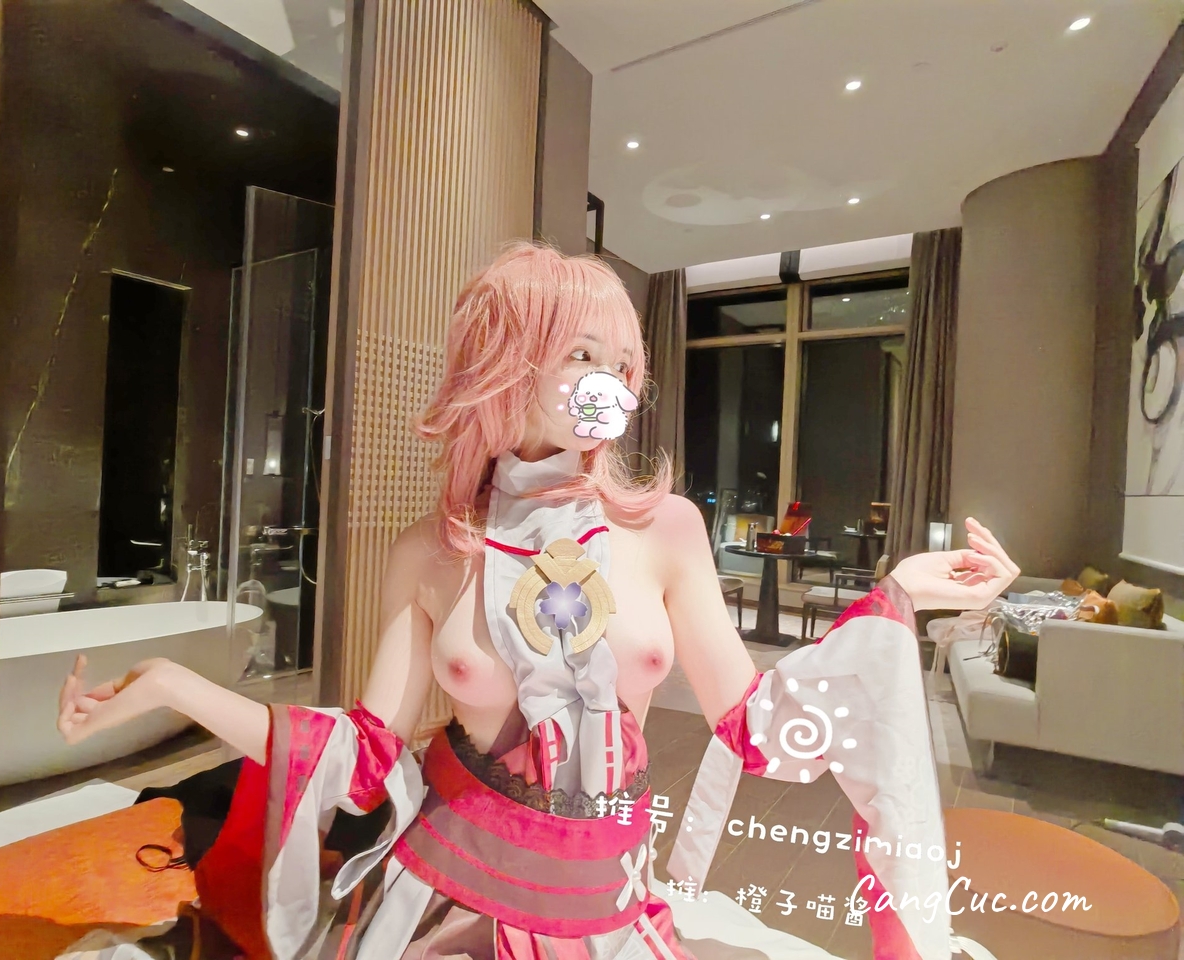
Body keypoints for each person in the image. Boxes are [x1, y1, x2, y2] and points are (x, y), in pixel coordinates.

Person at [56, 243, 1018, 960]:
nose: (613, 386)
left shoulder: (667, 529)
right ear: (506, 365)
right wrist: (172, 686)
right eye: (581, 356)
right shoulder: (430, 552)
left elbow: (757, 727)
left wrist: (899, 597)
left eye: (623, 365)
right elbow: (360, 758)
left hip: (604, 906)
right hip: (447, 901)